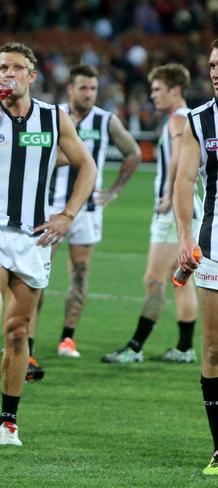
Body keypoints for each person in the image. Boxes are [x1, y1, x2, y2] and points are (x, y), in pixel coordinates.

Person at [0, 42, 96, 448]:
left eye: (18, 67)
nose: (9, 73)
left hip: (34, 236)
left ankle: (9, 422)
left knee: (17, 333)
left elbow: (86, 165)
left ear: (32, 76)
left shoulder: (54, 117)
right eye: (2, 67)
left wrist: (67, 215)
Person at [38, 64, 140, 359]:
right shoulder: (51, 114)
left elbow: (132, 152)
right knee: (37, 273)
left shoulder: (105, 120)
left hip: (88, 211)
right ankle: (26, 338)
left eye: (93, 88)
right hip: (51, 207)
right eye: (83, 88)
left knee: (79, 276)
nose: (89, 93)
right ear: (70, 89)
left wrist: (115, 190)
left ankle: (67, 339)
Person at [103, 63, 200, 364]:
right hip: (189, 209)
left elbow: (179, 161)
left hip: (174, 214)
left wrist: (168, 196)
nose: (152, 95)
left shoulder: (178, 120)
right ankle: (185, 348)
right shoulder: (191, 119)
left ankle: (135, 346)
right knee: (180, 280)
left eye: (158, 89)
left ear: (175, 90)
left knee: (153, 279)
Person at [174, 39, 218, 476]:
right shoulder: (199, 121)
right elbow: (184, 181)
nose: (216, 71)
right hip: (215, 250)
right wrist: (186, 237)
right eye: (211, 65)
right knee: (214, 352)